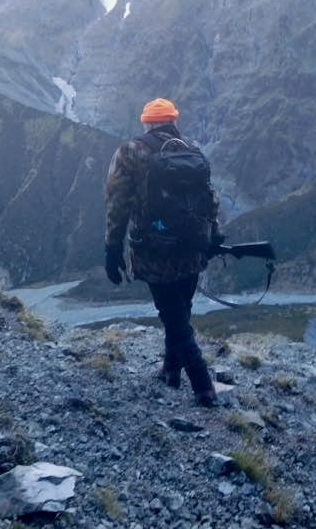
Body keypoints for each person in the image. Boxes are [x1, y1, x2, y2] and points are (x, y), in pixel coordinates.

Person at [104, 98, 223, 407]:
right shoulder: (192, 150)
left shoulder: (130, 152)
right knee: (180, 310)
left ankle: (203, 385)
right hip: (193, 246)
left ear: (146, 123)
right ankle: (171, 370)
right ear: (173, 120)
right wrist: (213, 236)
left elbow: (118, 202)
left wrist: (112, 246)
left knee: (172, 316)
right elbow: (210, 198)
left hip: (154, 249)